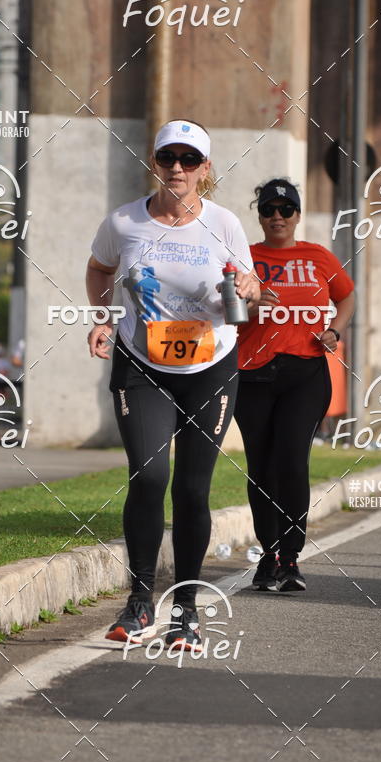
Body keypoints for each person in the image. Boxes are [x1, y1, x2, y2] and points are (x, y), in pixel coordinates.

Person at [86, 119, 258, 648]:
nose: (177, 168)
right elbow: (98, 269)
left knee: (191, 489)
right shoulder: (123, 221)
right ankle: (140, 603)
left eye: (188, 159)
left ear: (205, 168)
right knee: (149, 475)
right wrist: (103, 316)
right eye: (168, 158)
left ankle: (185, 608)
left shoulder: (225, 223)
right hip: (142, 364)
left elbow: (250, 285)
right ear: (154, 163)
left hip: (211, 367)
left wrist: (248, 285)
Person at [235, 179, 355, 592]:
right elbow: (223, 311)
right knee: (261, 467)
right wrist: (251, 309)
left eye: (286, 210)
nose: (277, 217)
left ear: (298, 215)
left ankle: (290, 557)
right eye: (268, 210)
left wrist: (335, 331)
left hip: (305, 373)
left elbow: (347, 297)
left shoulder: (319, 256)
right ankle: (268, 556)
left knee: (291, 460)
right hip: (251, 374)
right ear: (260, 216)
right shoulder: (244, 257)